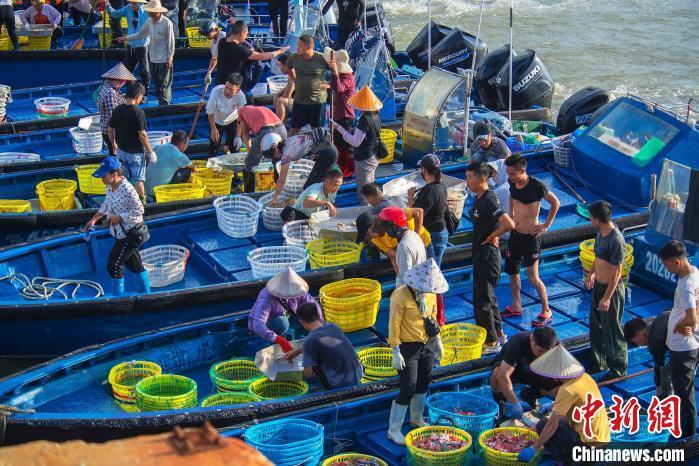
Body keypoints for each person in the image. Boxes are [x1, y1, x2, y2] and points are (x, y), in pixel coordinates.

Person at [387, 258, 447, 445]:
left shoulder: (430, 293)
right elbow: (394, 324)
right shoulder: (400, 295)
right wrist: (395, 350)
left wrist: (437, 339)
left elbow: (432, 316)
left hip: (426, 343)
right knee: (408, 387)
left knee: (423, 382)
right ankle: (394, 429)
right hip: (407, 346)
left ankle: (416, 418)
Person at [517, 345, 610, 464]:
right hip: (603, 438)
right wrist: (553, 405)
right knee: (553, 422)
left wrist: (534, 448)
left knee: (543, 425)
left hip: (589, 447)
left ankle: (564, 460)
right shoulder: (585, 377)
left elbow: (552, 425)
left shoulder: (567, 390)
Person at [503, 154, 561, 327]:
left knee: (533, 277)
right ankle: (516, 305)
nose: (509, 177)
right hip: (515, 235)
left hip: (530, 237)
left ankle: (546, 310)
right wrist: (512, 218)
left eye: (512, 173)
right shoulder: (512, 183)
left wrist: (545, 225)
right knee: (512, 271)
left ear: (523, 170)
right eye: (508, 173)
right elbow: (512, 199)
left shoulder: (537, 185)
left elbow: (555, 203)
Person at [466, 161, 515, 354]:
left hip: (487, 256)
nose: (467, 181)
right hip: (481, 254)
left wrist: (493, 236)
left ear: (482, 179)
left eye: (470, 177)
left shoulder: (489, 199)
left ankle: (491, 342)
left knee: (483, 299)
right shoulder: (479, 198)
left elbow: (508, 223)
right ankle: (500, 333)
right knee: (489, 296)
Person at [84, 157, 151, 296]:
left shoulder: (127, 189)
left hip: (131, 233)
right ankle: (146, 295)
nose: (101, 178)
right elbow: (106, 204)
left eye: (104, 175)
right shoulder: (109, 187)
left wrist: (119, 216)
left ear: (114, 174)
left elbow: (140, 209)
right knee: (135, 265)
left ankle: (118, 299)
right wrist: (94, 219)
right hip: (121, 232)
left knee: (114, 265)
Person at [658, 240, 699, 438]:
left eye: (666, 264)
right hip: (688, 343)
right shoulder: (695, 272)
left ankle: (687, 436)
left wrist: (681, 325)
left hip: (683, 347)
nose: (665, 268)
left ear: (676, 262)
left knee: (684, 394)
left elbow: (691, 316)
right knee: (684, 391)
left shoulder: (685, 286)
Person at [585, 200, 627, 380]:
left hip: (611, 291)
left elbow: (617, 271)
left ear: (596, 219)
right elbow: (598, 257)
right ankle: (598, 362)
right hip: (598, 288)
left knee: (613, 329)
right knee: (595, 325)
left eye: (590, 217)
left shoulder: (616, 239)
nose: (589, 220)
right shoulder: (600, 234)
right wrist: (592, 273)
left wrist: (608, 297)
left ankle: (618, 368)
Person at [282, 303, 363, 389]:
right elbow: (321, 343)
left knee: (314, 364)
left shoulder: (309, 341)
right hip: (358, 374)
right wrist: (296, 352)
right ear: (318, 315)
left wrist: (291, 374)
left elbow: (308, 374)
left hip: (341, 384)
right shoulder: (332, 326)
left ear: (302, 322)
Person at [490, 327, 560, 420]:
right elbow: (502, 375)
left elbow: (567, 379)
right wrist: (515, 404)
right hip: (512, 368)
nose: (543, 355)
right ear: (532, 340)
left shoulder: (557, 347)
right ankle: (501, 403)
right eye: (540, 351)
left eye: (547, 353)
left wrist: (554, 404)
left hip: (531, 369)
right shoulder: (518, 342)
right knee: (496, 376)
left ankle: (531, 393)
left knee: (558, 388)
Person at [248, 268, 321, 352]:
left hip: (288, 314)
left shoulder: (297, 289)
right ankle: (272, 340)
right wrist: (279, 340)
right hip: (271, 322)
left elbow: (313, 304)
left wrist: (320, 322)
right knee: (282, 323)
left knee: (306, 312)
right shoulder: (266, 298)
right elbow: (257, 324)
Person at [333, 85, 383, 204]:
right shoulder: (376, 116)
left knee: (364, 190)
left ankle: (368, 212)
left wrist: (339, 128)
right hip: (374, 156)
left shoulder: (364, 120)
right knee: (371, 184)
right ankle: (375, 205)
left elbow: (355, 142)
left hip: (365, 158)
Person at [118, 0, 175, 105]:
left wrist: (170, 57)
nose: (148, 12)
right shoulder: (149, 22)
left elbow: (171, 42)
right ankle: (161, 102)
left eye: (150, 10)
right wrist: (126, 38)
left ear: (156, 11)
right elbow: (140, 34)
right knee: (157, 84)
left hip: (164, 59)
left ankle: (165, 104)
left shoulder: (167, 23)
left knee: (164, 85)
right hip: (153, 58)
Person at [263, 127, 339, 205]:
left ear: (276, 148)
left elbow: (281, 181)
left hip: (327, 155)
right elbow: (299, 147)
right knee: (315, 183)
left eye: (271, 154)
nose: (272, 157)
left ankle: (326, 206)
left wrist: (274, 199)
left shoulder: (286, 155)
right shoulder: (288, 141)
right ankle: (325, 203)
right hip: (328, 149)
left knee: (309, 188)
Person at [108, 82, 157, 200]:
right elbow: (142, 135)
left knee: (121, 179)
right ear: (138, 96)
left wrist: (113, 144)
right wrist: (150, 151)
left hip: (121, 151)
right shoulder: (138, 112)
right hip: (136, 154)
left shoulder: (117, 109)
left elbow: (110, 129)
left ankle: (122, 201)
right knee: (139, 180)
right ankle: (141, 204)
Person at [355, 208, 430, 276]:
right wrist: (399, 278)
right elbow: (394, 256)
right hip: (408, 248)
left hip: (423, 241)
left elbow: (419, 212)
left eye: (368, 234)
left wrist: (416, 236)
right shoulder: (375, 239)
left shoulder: (389, 215)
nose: (368, 237)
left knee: (428, 273)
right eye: (366, 236)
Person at [216, 20, 288, 88]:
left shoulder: (222, 41)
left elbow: (232, 55)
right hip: (231, 86)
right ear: (242, 33)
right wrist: (280, 51)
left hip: (219, 82)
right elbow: (263, 57)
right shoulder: (240, 49)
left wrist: (248, 51)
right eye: (246, 34)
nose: (246, 37)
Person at [408, 154, 448, 266]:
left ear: (423, 169)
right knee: (435, 267)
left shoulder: (428, 191)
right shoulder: (442, 185)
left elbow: (416, 214)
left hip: (433, 235)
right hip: (441, 232)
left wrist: (410, 197)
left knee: (432, 269)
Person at [237, 105, 287, 192]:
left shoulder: (240, 112)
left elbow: (245, 133)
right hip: (281, 129)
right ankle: (281, 191)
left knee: (250, 164)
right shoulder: (258, 108)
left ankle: (249, 195)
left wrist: (250, 153)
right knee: (278, 161)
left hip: (266, 131)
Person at [624, 312, 673, 399]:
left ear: (640, 334)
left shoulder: (654, 341)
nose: (639, 345)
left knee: (666, 375)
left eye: (636, 342)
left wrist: (659, 390)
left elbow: (659, 365)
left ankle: (668, 403)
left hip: (691, 346)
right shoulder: (661, 316)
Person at [286, 34, 330, 132]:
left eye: (300, 45)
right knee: (294, 129)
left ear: (309, 47)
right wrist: (294, 79)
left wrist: (330, 84)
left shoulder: (321, 58)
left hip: (317, 102)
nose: (297, 48)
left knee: (317, 130)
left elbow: (337, 71)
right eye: (297, 45)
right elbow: (288, 68)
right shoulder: (294, 57)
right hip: (299, 101)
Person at [374, 206, 426, 287]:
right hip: (421, 280)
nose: (386, 232)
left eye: (386, 228)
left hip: (415, 289)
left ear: (394, 227)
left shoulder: (403, 246)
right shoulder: (413, 234)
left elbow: (406, 278)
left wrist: (399, 289)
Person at [324, 47, 356, 178]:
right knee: (338, 142)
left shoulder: (347, 77)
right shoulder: (340, 76)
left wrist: (335, 72)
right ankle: (340, 167)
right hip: (338, 113)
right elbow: (334, 85)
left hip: (346, 115)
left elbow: (338, 88)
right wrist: (327, 84)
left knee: (346, 144)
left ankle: (349, 170)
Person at [108, 0, 150, 95]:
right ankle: (130, 92)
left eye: (134, 3)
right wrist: (107, 5)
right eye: (131, 2)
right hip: (131, 45)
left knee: (145, 71)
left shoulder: (147, 11)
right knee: (127, 69)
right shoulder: (128, 8)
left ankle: (145, 93)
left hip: (142, 45)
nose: (132, 5)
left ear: (140, 3)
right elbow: (115, 14)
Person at [97, 63, 136, 156]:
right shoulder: (110, 93)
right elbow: (114, 119)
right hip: (110, 132)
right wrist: (114, 141)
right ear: (120, 80)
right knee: (115, 154)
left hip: (107, 129)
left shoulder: (107, 87)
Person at [206, 72, 247, 158]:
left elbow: (241, 116)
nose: (227, 91)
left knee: (235, 147)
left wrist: (238, 135)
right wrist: (213, 128)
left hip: (233, 120)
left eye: (231, 89)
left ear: (237, 90)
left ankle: (234, 168)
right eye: (226, 87)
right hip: (217, 121)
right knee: (214, 146)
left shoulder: (241, 97)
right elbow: (210, 112)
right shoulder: (216, 92)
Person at [145, 130, 196, 198]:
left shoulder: (159, 146)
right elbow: (194, 168)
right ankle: (175, 194)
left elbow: (148, 157)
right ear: (181, 144)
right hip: (158, 192)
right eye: (186, 144)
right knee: (187, 171)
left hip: (146, 189)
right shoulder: (179, 156)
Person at [200, 20, 226, 85]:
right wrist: (209, 73)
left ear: (214, 30)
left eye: (207, 34)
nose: (206, 36)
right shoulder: (212, 42)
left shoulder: (223, 36)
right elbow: (214, 58)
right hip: (222, 68)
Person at [273, 53, 294, 122]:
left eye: (280, 65)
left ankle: (279, 125)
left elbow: (288, 94)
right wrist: (278, 94)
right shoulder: (290, 72)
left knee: (281, 101)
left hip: (303, 102)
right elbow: (288, 87)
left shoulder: (293, 73)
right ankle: (282, 121)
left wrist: (278, 99)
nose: (279, 68)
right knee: (279, 96)